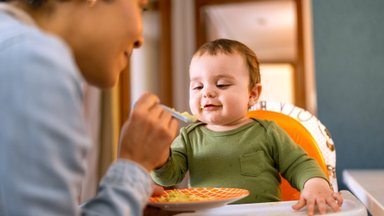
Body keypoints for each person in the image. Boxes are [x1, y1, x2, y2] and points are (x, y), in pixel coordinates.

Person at [0, 0, 179, 215]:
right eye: (140, 7)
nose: (140, 40)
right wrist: (136, 165)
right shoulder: (36, 60)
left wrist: (133, 196)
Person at [151, 38, 343, 215]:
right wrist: (159, 157)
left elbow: (299, 164)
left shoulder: (268, 132)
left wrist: (314, 183)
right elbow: (168, 178)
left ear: (252, 94)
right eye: (198, 87)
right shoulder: (188, 137)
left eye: (222, 84)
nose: (207, 92)